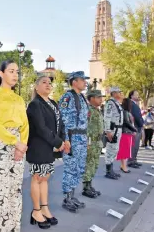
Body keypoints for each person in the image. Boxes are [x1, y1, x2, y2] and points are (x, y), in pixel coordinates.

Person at [0, 60, 29, 232]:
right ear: (1, 74)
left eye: (17, 71)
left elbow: (25, 125)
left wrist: (21, 145)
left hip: (18, 146)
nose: (15, 75)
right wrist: (15, 142)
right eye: (11, 71)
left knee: (14, 193)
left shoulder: (19, 99)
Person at [26, 75, 65, 229]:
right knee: (37, 178)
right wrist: (58, 142)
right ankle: (36, 211)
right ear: (36, 87)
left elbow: (59, 124)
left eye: (49, 83)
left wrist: (62, 140)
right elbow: (41, 128)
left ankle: (44, 208)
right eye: (44, 82)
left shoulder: (53, 103)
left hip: (50, 146)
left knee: (45, 177)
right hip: (38, 146)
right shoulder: (35, 104)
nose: (48, 85)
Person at [59, 71, 89, 213]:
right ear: (74, 82)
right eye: (82, 80)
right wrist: (65, 140)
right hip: (72, 138)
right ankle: (67, 198)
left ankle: (72, 195)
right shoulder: (67, 97)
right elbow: (62, 121)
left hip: (81, 138)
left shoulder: (81, 97)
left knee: (78, 168)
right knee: (70, 168)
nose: (85, 82)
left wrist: (86, 139)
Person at [82, 90, 105, 198]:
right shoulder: (89, 110)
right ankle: (86, 188)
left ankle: (90, 185)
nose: (101, 99)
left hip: (97, 141)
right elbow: (85, 127)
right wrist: (87, 142)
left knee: (94, 165)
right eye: (98, 97)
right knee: (89, 164)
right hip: (91, 142)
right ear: (91, 99)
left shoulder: (97, 110)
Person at [104, 86, 123, 180]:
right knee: (111, 149)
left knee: (115, 149)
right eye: (119, 92)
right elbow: (107, 117)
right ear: (114, 93)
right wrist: (108, 131)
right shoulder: (110, 103)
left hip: (118, 129)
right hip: (113, 129)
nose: (120, 93)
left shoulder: (116, 103)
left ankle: (111, 169)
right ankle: (108, 171)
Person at [116, 98, 137, 173]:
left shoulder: (126, 111)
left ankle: (123, 166)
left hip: (127, 132)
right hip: (125, 133)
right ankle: (124, 167)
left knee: (125, 151)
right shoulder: (125, 112)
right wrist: (134, 129)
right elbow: (126, 122)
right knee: (125, 151)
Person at [127, 90, 144, 168]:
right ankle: (131, 161)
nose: (138, 96)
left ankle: (134, 160)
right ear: (131, 96)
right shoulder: (132, 104)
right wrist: (142, 124)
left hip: (137, 127)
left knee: (136, 145)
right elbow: (136, 116)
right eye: (136, 94)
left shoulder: (134, 104)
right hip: (135, 127)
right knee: (134, 145)